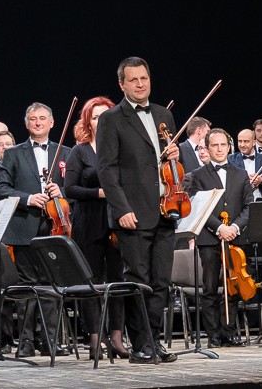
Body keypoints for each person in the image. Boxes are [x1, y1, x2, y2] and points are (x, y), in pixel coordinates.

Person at [96, 56, 180, 364]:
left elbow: (170, 165)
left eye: (144, 78)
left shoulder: (163, 114)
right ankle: (140, 344)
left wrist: (175, 154)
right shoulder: (111, 119)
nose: (140, 84)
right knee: (138, 281)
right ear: (122, 84)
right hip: (133, 213)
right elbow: (106, 169)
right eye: (133, 80)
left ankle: (154, 341)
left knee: (161, 282)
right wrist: (121, 208)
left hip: (165, 210)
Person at [0, 102, 70, 358]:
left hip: (55, 228)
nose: (38, 123)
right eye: (33, 119)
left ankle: (49, 340)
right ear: (27, 124)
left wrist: (62, 191)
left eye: (42, 118)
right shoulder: (13, 153)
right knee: (27, 287)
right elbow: (1, 188)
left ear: (52, 123)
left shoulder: (65, 152)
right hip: (24, 227)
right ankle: (25, 341)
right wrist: (28, 198)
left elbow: (75, 188)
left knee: (51, 286)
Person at [62, 96, 130, 358]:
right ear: (87, 122)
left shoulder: (121, 149)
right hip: (89, 222)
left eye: (105, 116)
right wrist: (101, 193)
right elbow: (70, 189)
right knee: (91, 283)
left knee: (117, 281)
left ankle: (117, 339)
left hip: (117, 221)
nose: (101, 121)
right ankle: (95, 340)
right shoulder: (79, 151)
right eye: (95, 117)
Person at [182, 127, 254, 347]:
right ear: (207, 148)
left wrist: (234, 227)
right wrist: (219, 227)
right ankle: (213, 334)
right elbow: (198, 207)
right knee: (210, 288)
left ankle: (229, 332)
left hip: (235, 238)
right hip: (209, 239)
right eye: (215, 145)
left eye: (223, 145)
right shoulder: (197, 176)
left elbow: (249, 206)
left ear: (229, 147)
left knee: (233, 286)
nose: (220, 149)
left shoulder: (241, 174)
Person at [232, 127, 262, 198]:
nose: (242, 145)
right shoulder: (231, 160)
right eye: (240, 141)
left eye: (246, 141)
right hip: (239, 201)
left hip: (261, 201)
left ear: (254, 142)